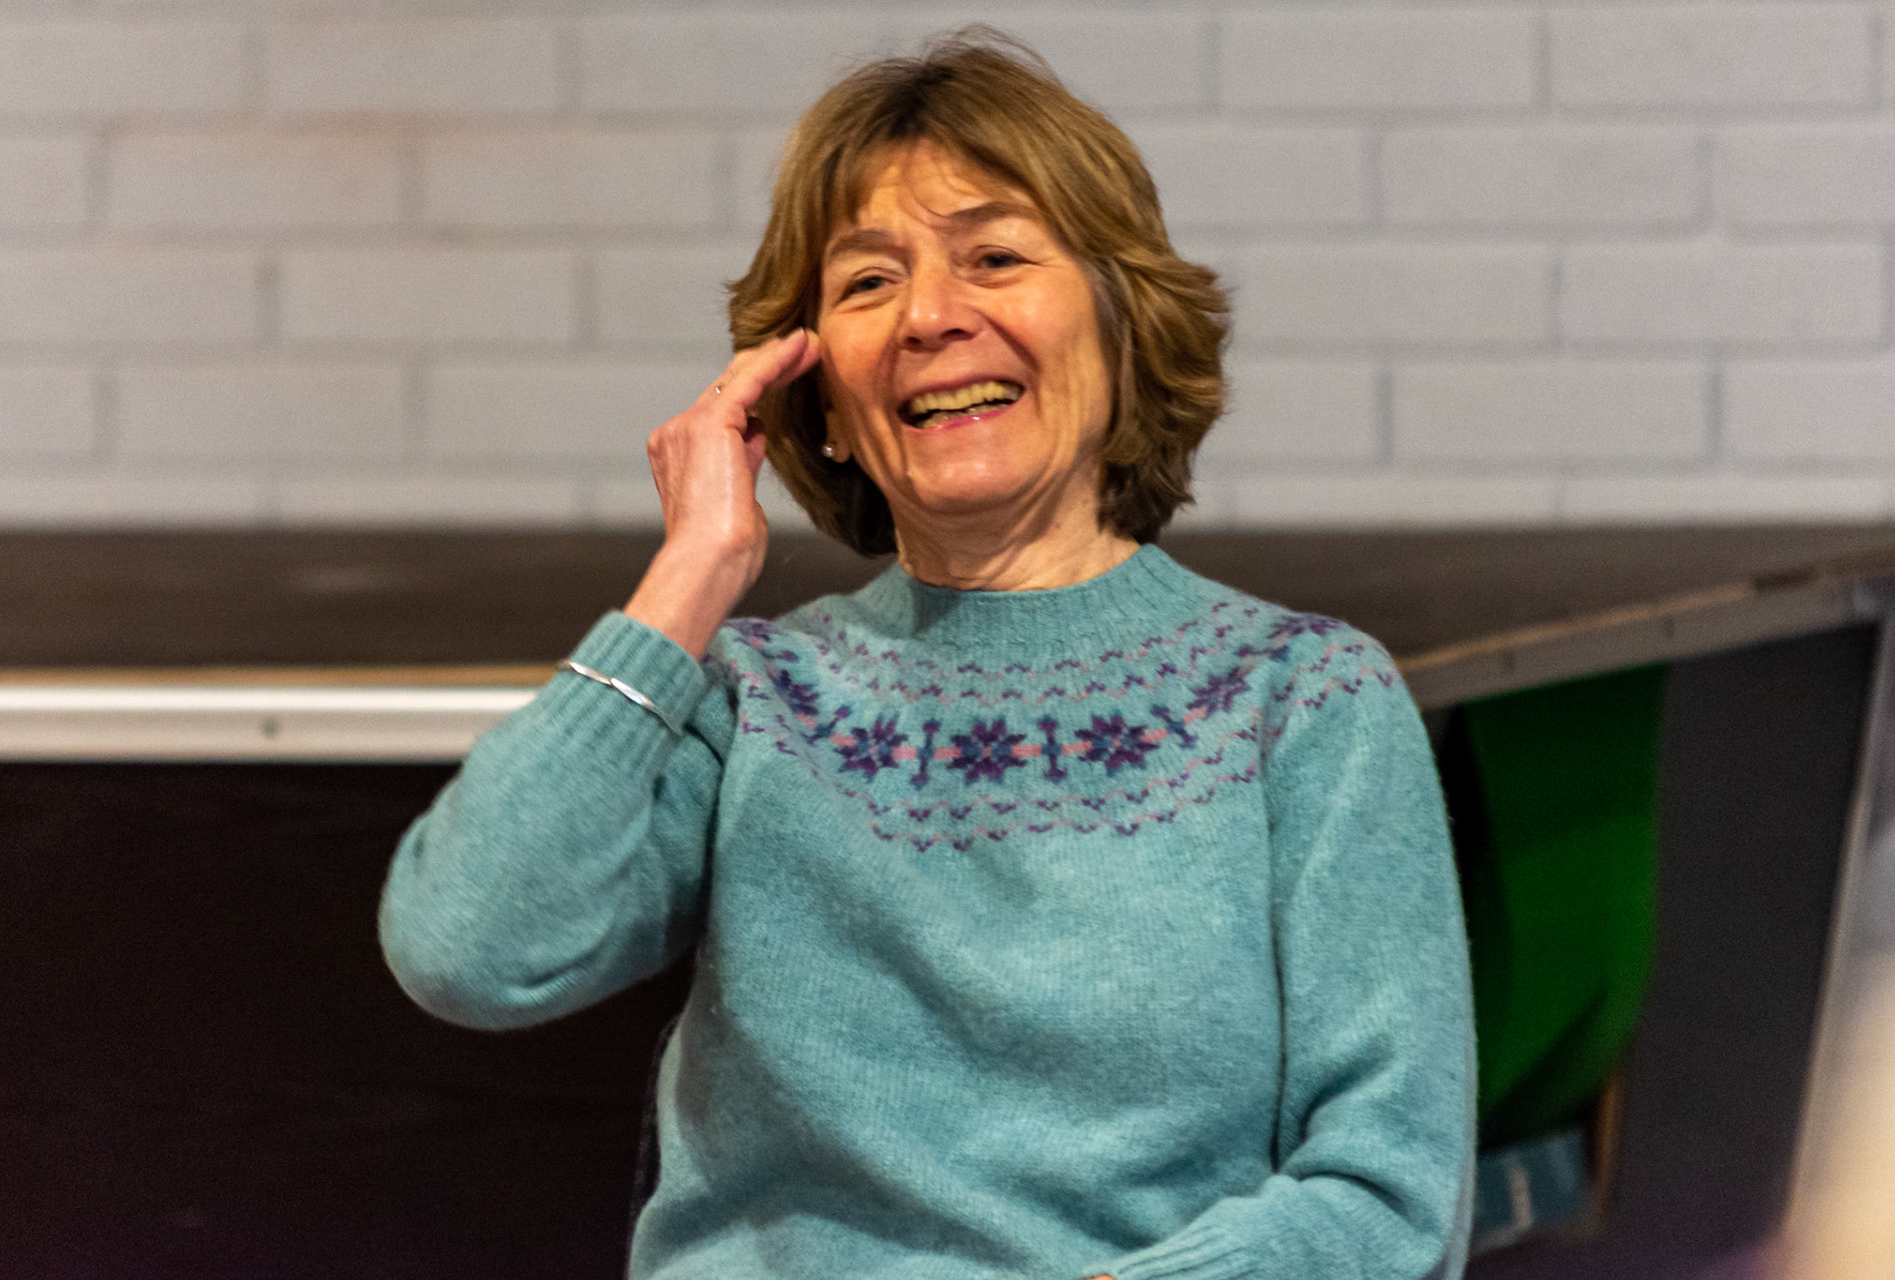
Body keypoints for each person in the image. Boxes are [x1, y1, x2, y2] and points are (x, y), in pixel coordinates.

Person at [380, 30, 1474, 1280]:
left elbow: (1387, 1199)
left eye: (995, 257)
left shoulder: (1302, 701)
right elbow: (466, 948)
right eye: (866, 283)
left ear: (1122, 329)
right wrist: (689, 574)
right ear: (823, 403)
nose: (932, 317)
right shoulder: (755, 700)